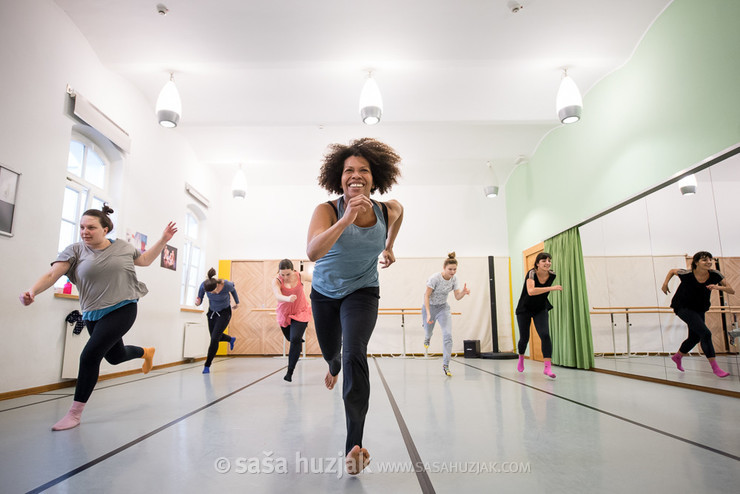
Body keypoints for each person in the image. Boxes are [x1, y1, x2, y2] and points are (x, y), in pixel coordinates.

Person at [19, 204, 176, 431]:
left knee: (89, 356)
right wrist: (32, 291)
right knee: (115, 357)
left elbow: (144, 261)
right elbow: (52, 274)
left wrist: (163, 240)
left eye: (91, 227)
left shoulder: (122, 247)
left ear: (105, 229)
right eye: (82, 227)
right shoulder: (74, 251)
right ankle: (145, 352)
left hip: (123, 308)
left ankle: (74, 414)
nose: (85, 231)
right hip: (92, 314)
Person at [306, 137, 404, 475]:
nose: (355, 175)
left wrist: (388, 246)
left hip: (363, 292)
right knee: (334, 353)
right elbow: (313, 252)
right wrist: (346, 218)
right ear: (340, 176)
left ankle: (353, 447)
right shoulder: (327, 210)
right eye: (349, 170)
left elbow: (400, 212)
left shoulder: (386, 209)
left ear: (374, 178)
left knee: (355, 352)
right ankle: (332, 367)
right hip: (324, 294)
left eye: (363, 170)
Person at [661, 251, 734, 378]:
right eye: (704, 260)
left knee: (695, 338)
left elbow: (731, 290)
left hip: (699, 308)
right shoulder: (687, 274)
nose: (709, 262)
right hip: (683, 307)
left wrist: (718, 288)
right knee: (706, 333)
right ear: (696, 262)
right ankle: (715, 368)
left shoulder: (715, 275)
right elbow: (673, 270)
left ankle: (677, 356)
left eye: (710, 259)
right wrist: (665, 283)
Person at [422, 252, 470, 376]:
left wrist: (463, 293)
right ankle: (427, 338)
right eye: (450, 269)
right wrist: (428, 314)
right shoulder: (435, 278)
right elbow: (426, 296)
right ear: (444, 268)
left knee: (448, 335)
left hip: (443, 308)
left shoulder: (454, 279)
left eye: (454, 269)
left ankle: (446, 365)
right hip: (430, 307)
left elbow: (457, 297)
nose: (452, 272)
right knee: (428, 331)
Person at [515, 252, 562, 378]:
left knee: (545, 335)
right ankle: (521, 357)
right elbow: (531, 291)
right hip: (524, 308)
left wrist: (549, 288)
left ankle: (547, 367)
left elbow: (540, 292)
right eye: (544, 261)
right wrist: (551, 288)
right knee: (524, 338)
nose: (547, 263)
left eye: (549, 260)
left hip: (540, 308)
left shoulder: (552, 275)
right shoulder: (532, 273)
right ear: (537, 264)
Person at [272, 259, 312, 382]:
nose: (285, 277)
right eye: (282, 274)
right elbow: (277, 295)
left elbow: (318, 279)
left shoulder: (301, 276)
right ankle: (298, 338)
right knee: (290, 338)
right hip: (284, 313)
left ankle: (289, 372)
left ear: (293, 270)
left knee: (294, 339)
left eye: (288, 274)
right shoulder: (277, 280)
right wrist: (287, 298)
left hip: (301, 311)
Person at [195, 267, 240, 374]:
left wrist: (236, 302)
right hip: (212, 313)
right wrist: (197, 303)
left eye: (215, 291)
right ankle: (230, 339)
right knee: (215, 337)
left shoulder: (226, 285)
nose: (214, 293)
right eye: (211, 293)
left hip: (225, 312)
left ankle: (207, 366)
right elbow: (199, 298)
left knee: (214, 339)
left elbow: (233, 290)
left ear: (218, 285)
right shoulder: (204, 286)